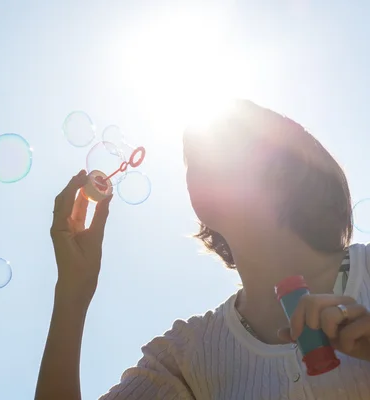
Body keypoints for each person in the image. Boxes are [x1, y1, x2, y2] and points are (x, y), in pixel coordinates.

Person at [34, 99, 370, 399]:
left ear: (288, 164)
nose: (206, 152)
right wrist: (72, 293)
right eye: (195, 155)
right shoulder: (187, 356)